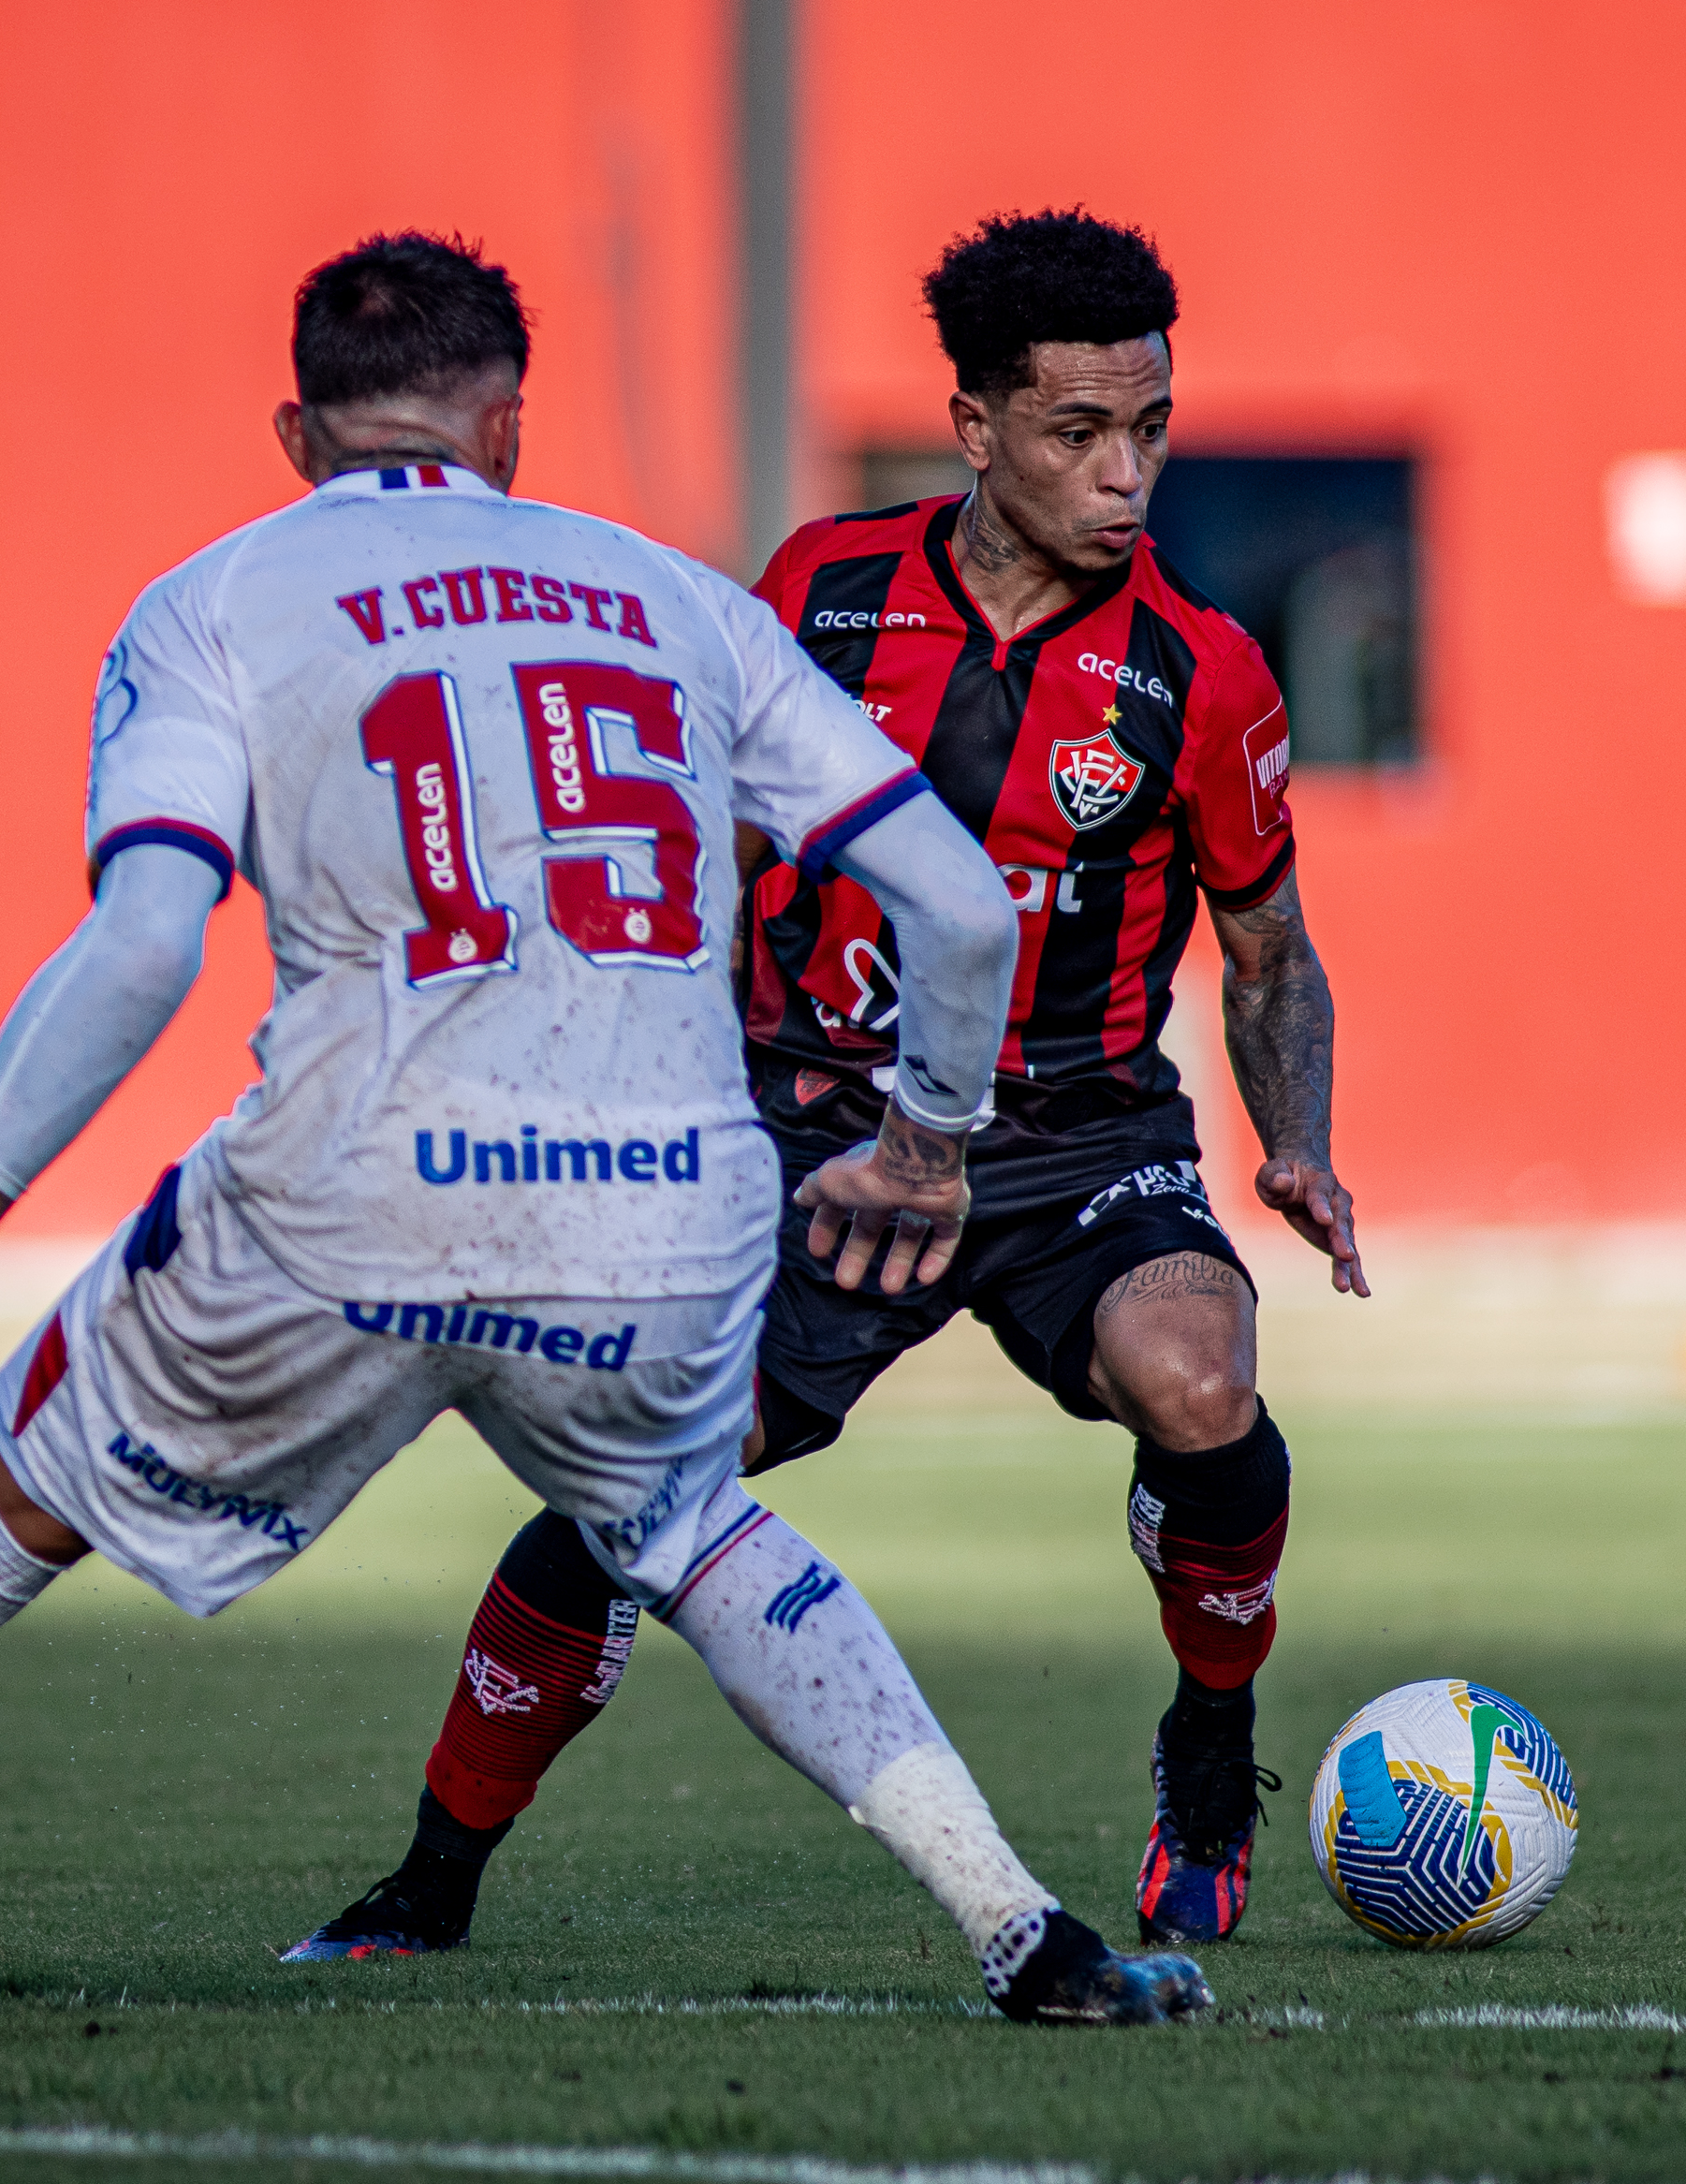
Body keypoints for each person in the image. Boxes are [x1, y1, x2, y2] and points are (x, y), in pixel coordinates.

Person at [0, 231, 1209, 2035]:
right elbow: (961, 912)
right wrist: (924, 1143)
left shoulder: (216, 600)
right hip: (663, 1188)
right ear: (507, 425)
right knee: (699, 1535)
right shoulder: (675, 599)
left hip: (349, 1192)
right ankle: (1027, 1935)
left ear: (295, 434)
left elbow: (145, 939)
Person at [287, 211, 1364, 1967]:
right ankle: (431, 1881)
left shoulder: (1203, 671)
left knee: (1199, 1371)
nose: (1127, 474)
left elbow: (1268, 948)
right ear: (973, 425)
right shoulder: (817, 592)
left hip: (1076, 1136)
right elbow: (692, 859)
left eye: (1151, 428)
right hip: (825, 1143)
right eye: (1079, 432)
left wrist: (1295, 1141)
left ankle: (1210, 1752)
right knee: (631, 1488)